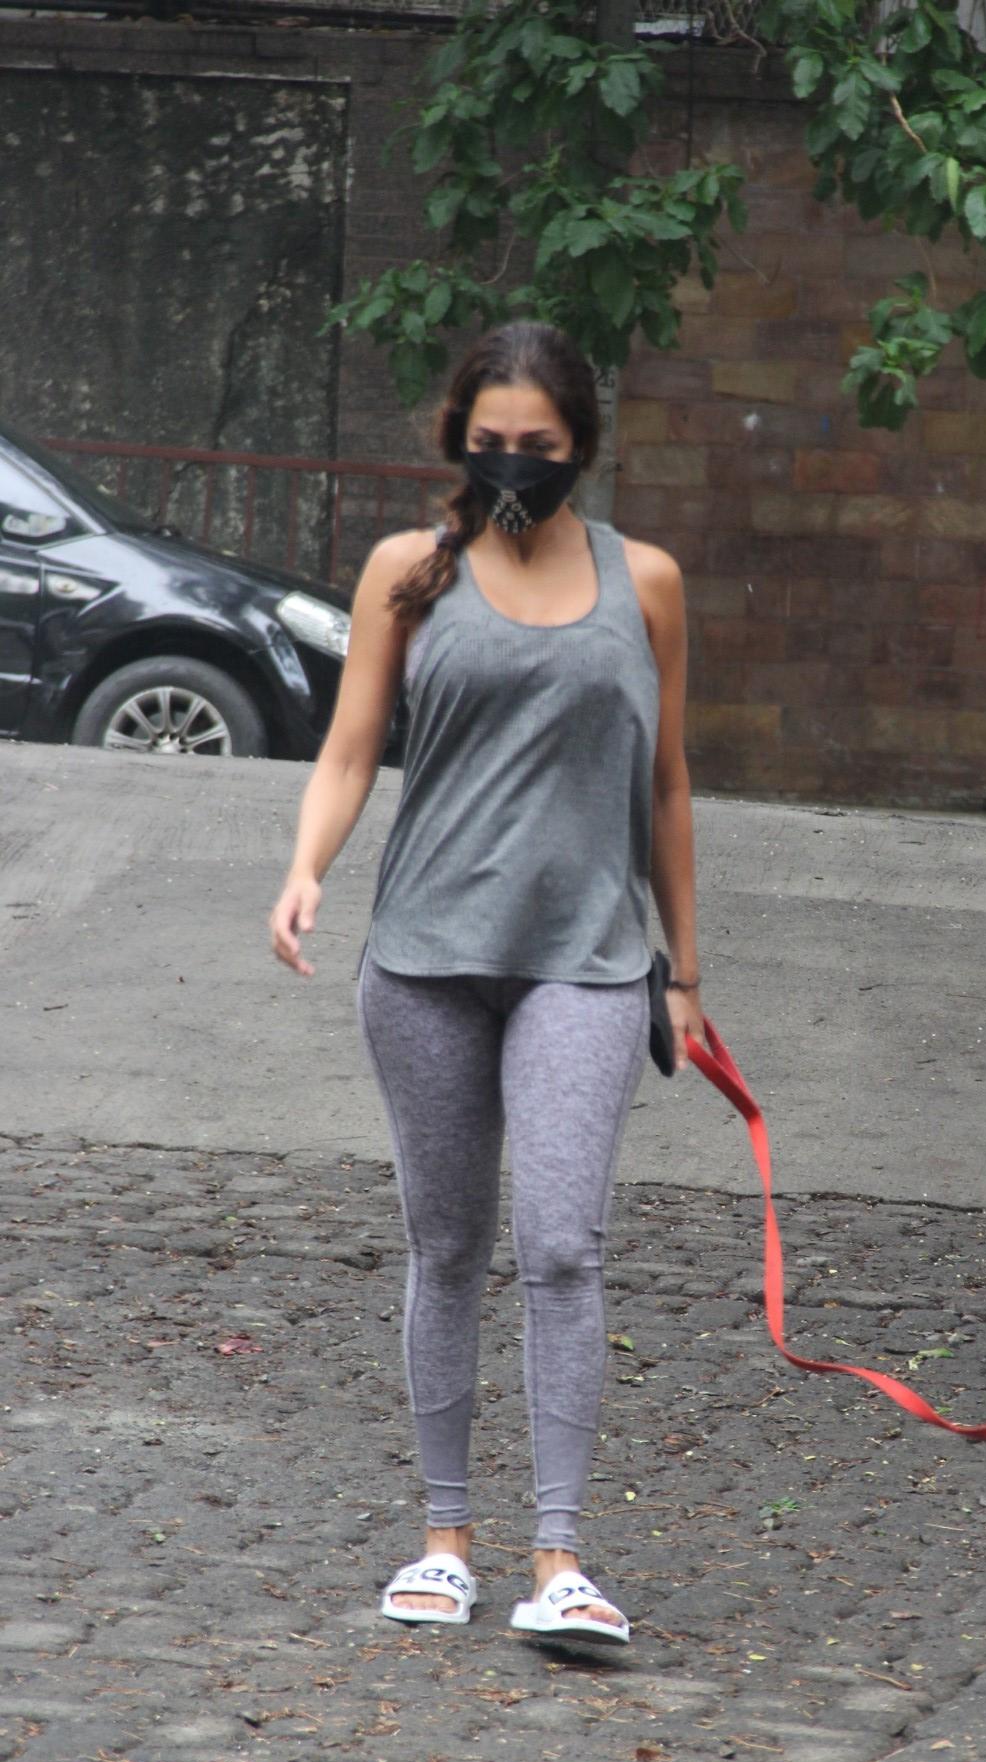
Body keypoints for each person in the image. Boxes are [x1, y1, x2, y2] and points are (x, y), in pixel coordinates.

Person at [268, 320, 703, 1650]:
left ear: (582, 447)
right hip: (424, 958)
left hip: (585, 959)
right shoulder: (410, 569)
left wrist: (682, 972)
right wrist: (305, 869)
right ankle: (444, 1538)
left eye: (542, 449)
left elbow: (668, 783)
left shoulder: (649, 582)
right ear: (457, 437)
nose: (512, 467)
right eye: (490, 444)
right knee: (447, 1243)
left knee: (563, 1244)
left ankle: (559, 1557)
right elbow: (349, 752)